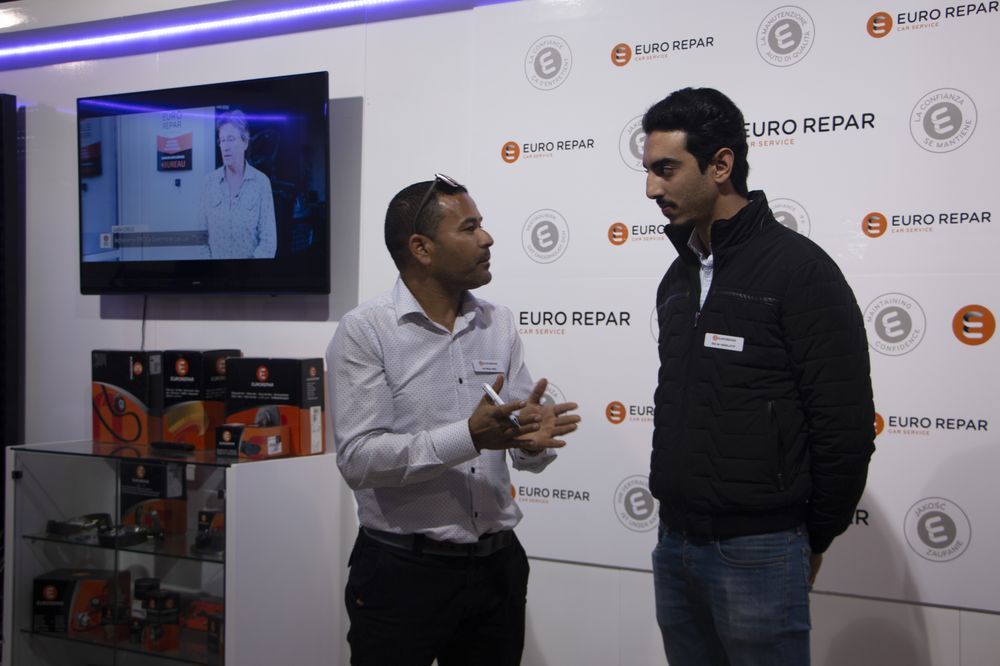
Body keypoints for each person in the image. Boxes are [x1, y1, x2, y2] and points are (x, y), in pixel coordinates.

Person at [641, 87, 875, 665]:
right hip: (673, 543)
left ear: (721, 165)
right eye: (648, 171)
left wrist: (811, 538)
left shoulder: (800, 271)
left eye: (666, 170)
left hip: (761, 551)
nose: (651, 189)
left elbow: (843, 426)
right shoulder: (676, 279)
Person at [326, 174, 580, 666]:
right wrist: (468, 437)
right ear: (421, 248)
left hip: (497, 569)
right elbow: (358, 460)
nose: (487, 238)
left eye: (481, 225)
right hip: (402, 574)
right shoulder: (365, 331)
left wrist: (530, 442)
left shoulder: (498, 323)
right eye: (469, 228)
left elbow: (522, 443)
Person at [198, 109, 276, 258]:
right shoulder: (208, 183)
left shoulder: (261, 183)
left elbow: (268, 242)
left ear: (245, 142)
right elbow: (201, 239)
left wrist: (246, 269)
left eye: (231, 139)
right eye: (222, 140)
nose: (225, 146)